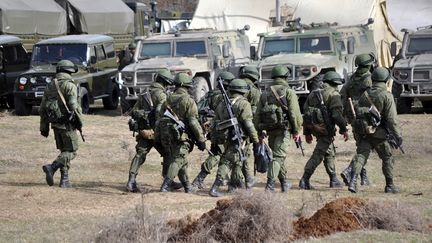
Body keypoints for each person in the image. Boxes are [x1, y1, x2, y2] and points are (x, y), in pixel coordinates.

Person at [348, 67, 402, 193]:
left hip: (365, 132)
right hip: (380, 135)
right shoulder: (386, 96)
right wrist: (398, 136)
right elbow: (391, 119)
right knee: (387, 157)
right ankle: (390, 185)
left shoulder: (365, 95)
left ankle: (353, 181)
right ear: (386, 80)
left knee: (361, 156)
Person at [126, 68, 176, 192]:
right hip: (158, 131)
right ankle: (167, 181)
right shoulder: (162, 94)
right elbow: (166, 112)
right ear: (165, 82)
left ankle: (131, 180)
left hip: (145, 131)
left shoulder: (145, 92)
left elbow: (133, 111)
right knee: (168, 154)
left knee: (140, 155)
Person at [255, 65, 303, 192]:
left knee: (278, 156)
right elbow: (294, 113)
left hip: (270, 131)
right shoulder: (289, 92)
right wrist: (297, 131)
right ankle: (270, 185)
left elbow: (257, 115)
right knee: (278, 157)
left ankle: (284, 183)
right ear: (286, 77)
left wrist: (259, 132)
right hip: (284, 131)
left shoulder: (264, 93)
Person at [156, 72, 207, 193]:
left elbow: (159, 118)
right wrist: (201, 139)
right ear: (187, 86)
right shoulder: (189, 101)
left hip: (167, 136)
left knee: (181, 161)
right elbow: (193, 122)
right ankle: (165, 185)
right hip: (182, 137)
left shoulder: (167, 99)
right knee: (178, 159)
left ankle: (188, 187)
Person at [209, 78, 259, 197]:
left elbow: (214, 123)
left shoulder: (221, 104)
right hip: (238, 138)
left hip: (225, 138)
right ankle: (214, 188)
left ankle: (242, 185)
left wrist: (215, 141)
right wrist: (256, 139)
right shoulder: (243, 103)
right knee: (227, 162)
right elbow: (248, 124)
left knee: (241, 160)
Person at [299, 71, 349, 190]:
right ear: (335, 83)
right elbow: (337, 116)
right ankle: (304, 179)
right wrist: (344, 129)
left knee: (329, 152)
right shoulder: (333, 94)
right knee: (318, 155)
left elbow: (306, 114)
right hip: (325, 129)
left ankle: (333, 179)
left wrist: (308, 132)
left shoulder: (313, 94)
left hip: (316, 128)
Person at [40, 59, 82, 188]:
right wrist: (80, 123)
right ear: (69, 71)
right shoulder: (70, 85)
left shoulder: (50, 85)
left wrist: (44, 127)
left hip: (55, 124)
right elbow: (74, 106)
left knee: (64, 151)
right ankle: (52, 167)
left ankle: (64, 180)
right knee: (72, 151)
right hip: (67, 124)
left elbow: (42, 108)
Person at [191, 71, 235, 190]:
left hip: (211, 128)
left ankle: (225, 179)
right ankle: (198, 180)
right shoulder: (227, 96)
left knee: (220, 153)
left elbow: (198, 109)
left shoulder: (210, 94)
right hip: (223, 129)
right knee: (218, 154)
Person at [340, 53, 375, 186]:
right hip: (366, 116)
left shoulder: (352, 78)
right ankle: (350, 171)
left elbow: (343, 94)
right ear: (368, 65)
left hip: (354, 116)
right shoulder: (369, 79)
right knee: (364, 148)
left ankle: (363, 177)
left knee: (360, 146)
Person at [239, 65, 261, 188]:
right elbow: (256, 112)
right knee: (244, 153)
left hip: (231, 124)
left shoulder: (234, 86)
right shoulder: (254, 91)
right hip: (246, 125)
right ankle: (247, 178)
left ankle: (237, 179)